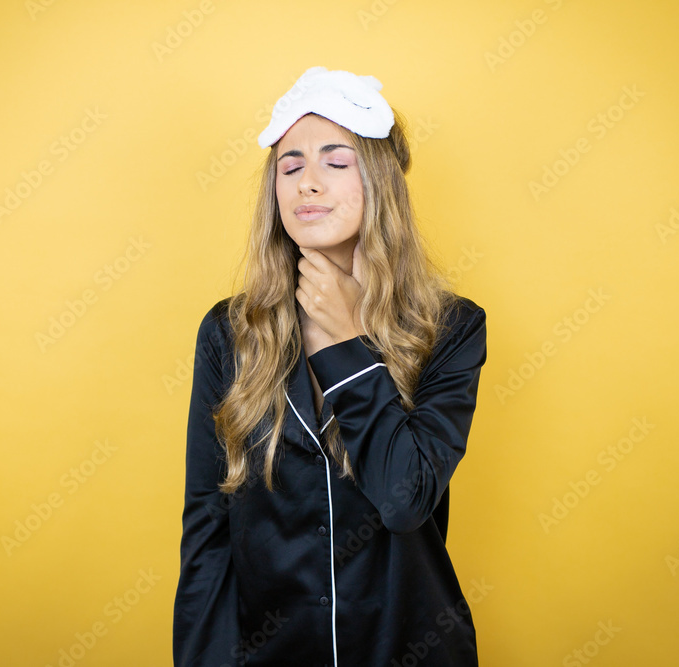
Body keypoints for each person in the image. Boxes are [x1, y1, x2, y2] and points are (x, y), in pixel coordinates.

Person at [173, 66, 488, 667]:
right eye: (290, 168)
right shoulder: (228, 333)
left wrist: (345, 341)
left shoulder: (451, 328)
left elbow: (404, 500)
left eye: (336, 163)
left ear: (380, 184)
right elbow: (207, 530)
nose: (308, 184)